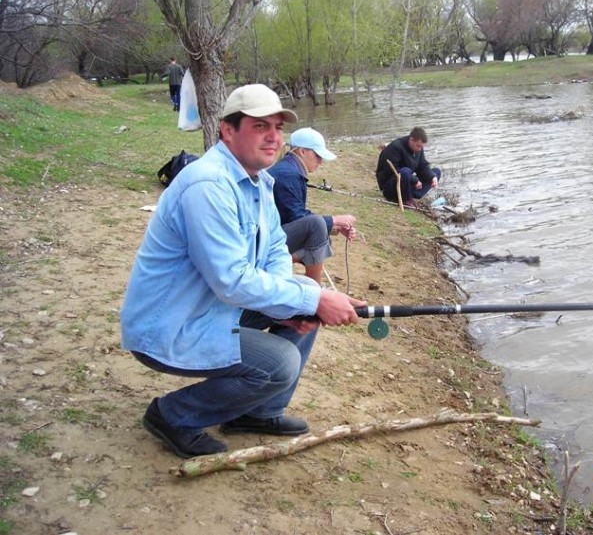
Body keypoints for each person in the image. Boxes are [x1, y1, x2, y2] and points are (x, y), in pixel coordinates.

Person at [120, 83, 365, 459]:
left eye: (278, 128)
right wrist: (314, 295)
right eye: (260, 127)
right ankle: (173, 415)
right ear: (228, 130)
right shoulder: (207, 185)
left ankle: (257, 412)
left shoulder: (260, 182)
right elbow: (231, 280)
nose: (273, 138)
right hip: (169, 325)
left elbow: (274, 251)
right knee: (281, 361)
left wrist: (302, 304)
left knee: (303, 306)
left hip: (212, 306)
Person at [268, 127, 357, 284]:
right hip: (268, 239)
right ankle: (315, 292)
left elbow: (296, 216)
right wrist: (334, 220)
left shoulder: (290, 169)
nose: (321, 161)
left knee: (323, 236)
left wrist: (334, 227)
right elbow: (297, 218)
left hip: (274, 233)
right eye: (317, 156)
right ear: (302, 151)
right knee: (317, 226)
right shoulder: (288, 174)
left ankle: (280, 265)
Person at [375, 126, 442, 208]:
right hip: (391, 186)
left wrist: (432, 177)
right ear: (411, 140)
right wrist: (414, 180)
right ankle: (407, 199)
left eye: (422, 146)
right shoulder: (395, 147)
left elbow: (422, 166)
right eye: (418, 146)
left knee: (436, 172)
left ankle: (411, 195)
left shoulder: (418, 149)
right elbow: (392, 171)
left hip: (407, 183)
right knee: (405, 171)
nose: (420, 149)